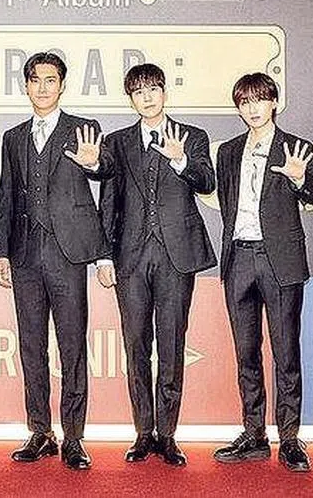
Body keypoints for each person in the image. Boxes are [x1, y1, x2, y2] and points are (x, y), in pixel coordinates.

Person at [96, 64, 216, 466]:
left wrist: (181, 160)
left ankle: (168, 435)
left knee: (171, 345)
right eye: (138, 92)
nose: (146, 97)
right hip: (129, 256)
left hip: (175, 255)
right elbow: (108, 202)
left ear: (164, 92)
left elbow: (207, 182)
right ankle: (143, 432)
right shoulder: (116, 142)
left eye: (152, 89)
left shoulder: (192, 136)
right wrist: (104, 255)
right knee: (135, 346)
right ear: (131, 99)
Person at [0, 51, 109, 470]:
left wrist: (95, 163)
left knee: (72, 346)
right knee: (31, 347)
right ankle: (40, 431)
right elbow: (6, 195)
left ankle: (73, 437)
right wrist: (1, 251)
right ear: (26, 86)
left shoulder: (84, 129)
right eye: (35, 80)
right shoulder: (13, 137)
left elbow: (105, 170)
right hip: (24, 254)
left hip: (67, 254)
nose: (42, 87)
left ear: (62, 85)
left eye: (50, 80)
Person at [211, 72, 313, 473]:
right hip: (239, 258)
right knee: (246, 354)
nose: (253, 108)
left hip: (280, 261)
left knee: (285, 353)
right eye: (245, 102)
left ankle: (290, 438)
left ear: (274, 102)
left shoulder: (296, 147)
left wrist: (299, 177)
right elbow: (226, 203)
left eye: (260, 99)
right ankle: (254, 434)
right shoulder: (228, 151)